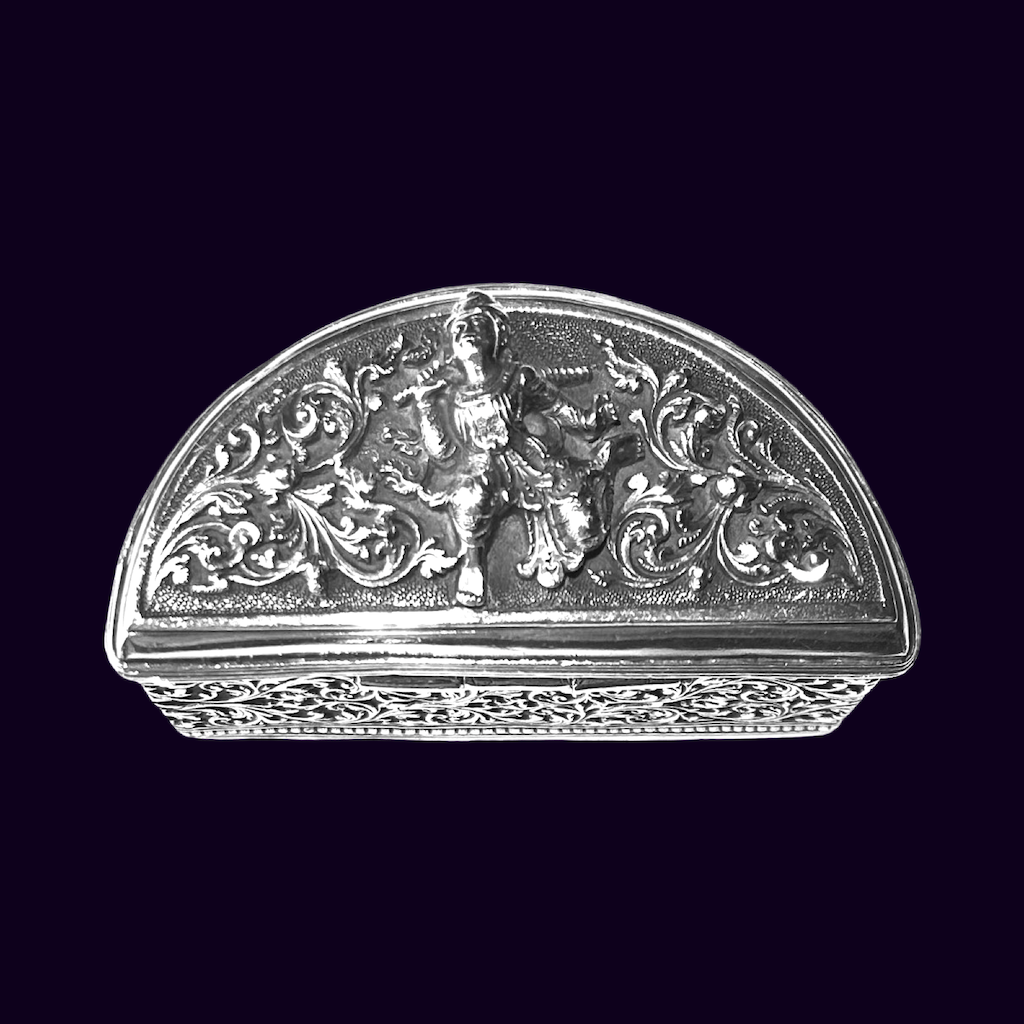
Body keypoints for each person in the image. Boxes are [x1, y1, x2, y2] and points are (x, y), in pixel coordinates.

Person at [387, 291, 641, 607]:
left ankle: (605, 468)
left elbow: (559, 408)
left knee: (584, 531)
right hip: (484, 470)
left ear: (496, 335)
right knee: (470, 498)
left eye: (476, 324)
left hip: (534, 463)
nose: (467, 332)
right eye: (459, 328)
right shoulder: (451, 395)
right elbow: (443, 454)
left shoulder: (518, 378)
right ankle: (473, 563)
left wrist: (590, 421)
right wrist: (426, 404)